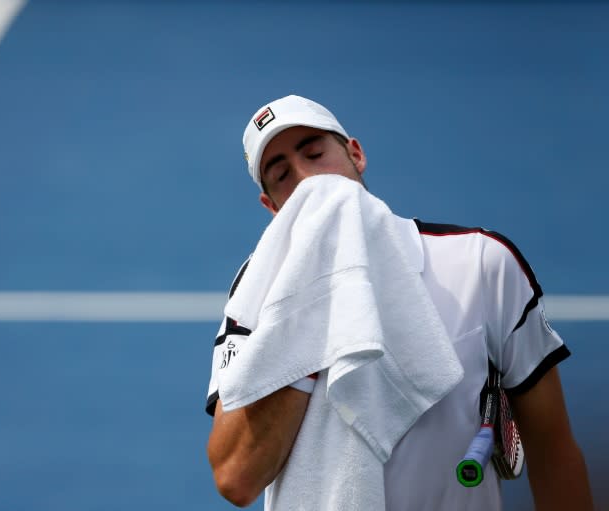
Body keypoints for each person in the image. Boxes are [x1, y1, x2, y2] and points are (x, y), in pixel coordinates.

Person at [204, 95, 594, 510]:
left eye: (315, 153)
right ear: (273, 209)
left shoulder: (482, 262)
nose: (309, 181)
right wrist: (313, 316)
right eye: (282, 175)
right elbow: (236, 477)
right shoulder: (258, 288)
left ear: (356, 154)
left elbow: (552, 449)